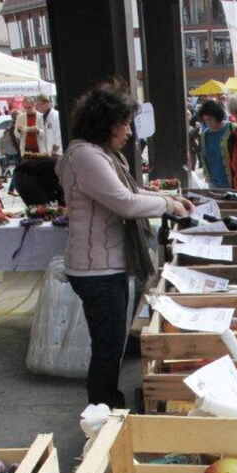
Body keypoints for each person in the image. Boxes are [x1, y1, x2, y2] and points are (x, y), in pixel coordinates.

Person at [56, 80, 191, 409]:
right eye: (125, 123)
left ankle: (109, 404)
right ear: (107, 123)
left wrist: (166, 197)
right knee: (109, 345)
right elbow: (125, 203)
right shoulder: (85, 157)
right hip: (95, 270)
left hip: (107, 266)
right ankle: (104, 410)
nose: (129, 132)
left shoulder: (101, 155)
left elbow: (130, 193)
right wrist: (166, 205)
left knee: (114, 341)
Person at [198, 99, 237, 188]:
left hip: (232, 181)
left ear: (218, 116)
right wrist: (207, 175)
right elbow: (204, 157)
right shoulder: (205, 134)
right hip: (213, 182)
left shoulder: (232, 128)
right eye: (205, 120)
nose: (208, 123)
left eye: (210, 119)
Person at [0, 109, 20, 180]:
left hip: (12, 150)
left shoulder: (10, 125)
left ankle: (11, 188)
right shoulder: (15, 125)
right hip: (16, 150)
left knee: (18, 169)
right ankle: (11, 188)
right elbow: (16, 140)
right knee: (18, 169)